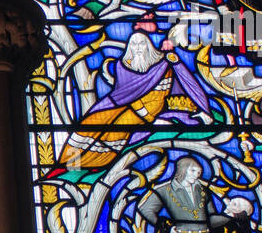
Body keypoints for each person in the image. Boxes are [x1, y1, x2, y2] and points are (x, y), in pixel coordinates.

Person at [56, 19, 213, 172]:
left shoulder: (163, 65)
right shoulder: (121, 66)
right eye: (134, 44)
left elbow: (187, 82)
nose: (138, 48)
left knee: (117, 128)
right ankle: (70, 162)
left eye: (142, 44)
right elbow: (121, 94)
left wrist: (176, 62)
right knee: (92, 122)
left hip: (146, 113)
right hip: (122, 106)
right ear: (130, 47)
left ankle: (93, 161)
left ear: (149, 46)